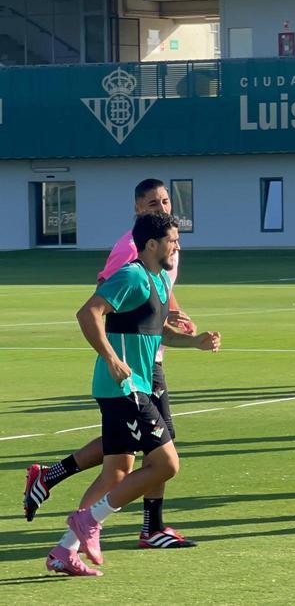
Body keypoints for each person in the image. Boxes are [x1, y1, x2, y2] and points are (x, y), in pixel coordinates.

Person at [24, 179, 200, 550]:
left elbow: (157, 297)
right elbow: (101, 302)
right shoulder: (132, 253)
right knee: (159, 454)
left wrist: (179, 323)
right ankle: (120, 525)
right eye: (153, 203)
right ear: (138, 209)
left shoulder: (161, 253)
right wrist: (113, 357)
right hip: (130, 373)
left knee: (123, 459)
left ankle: (67, 538)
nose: (162, 208)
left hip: (144, 361)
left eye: (165, 201)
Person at [46, 212, 221, 577]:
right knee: (167, 464)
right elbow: (88, 313)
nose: (177, 247)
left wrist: (195, 342)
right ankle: (89, 520)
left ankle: (65, 550)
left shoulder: (158, 281)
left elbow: (156, 334)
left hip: (132, 386)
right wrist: (111, 358)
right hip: (124, 388)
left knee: (117, 472)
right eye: (173, 241)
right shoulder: (132, 276)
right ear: (152, 244)